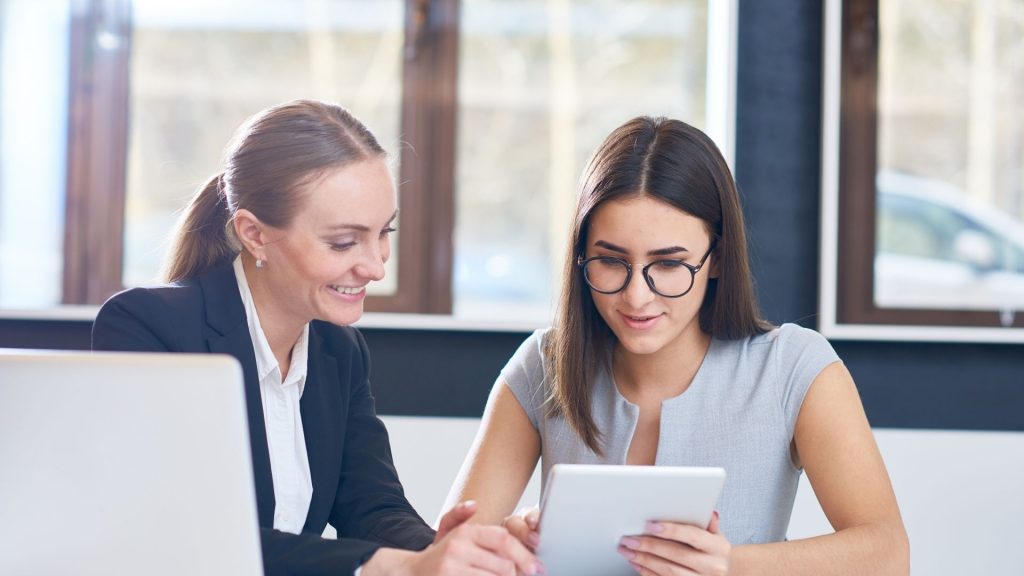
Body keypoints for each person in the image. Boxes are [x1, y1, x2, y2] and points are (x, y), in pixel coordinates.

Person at [443, 117, 909, 575]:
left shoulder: (792, 367)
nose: (636, 296)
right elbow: (446, 554)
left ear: (717, 259)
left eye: (668, 265)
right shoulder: (544, 365)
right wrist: (508, 544)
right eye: (610, 260)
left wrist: (730, 566)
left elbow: (888, 555)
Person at [93, 100, 540, 576]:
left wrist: (446, 550)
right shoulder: (148, 328)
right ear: (255, 235)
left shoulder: (337, 351)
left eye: (383, 232)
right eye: (344, 242)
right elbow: (189, 535)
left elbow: (372, 508)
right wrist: (395, 567)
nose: (375, 265)